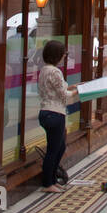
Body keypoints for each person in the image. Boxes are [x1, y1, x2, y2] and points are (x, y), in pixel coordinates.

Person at [37, 40, 79, 193]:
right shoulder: (55, 71)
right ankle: (48, 183)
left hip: (46, 112)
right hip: (54, 113)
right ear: (58, 55)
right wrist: (78, 92)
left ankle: (52, 180)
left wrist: (72, 86)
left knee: (59, 147)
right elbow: (63, 95)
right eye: (63, 54)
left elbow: (56, 88)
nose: (64, 56)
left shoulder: (44, 70)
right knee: (54, 149)